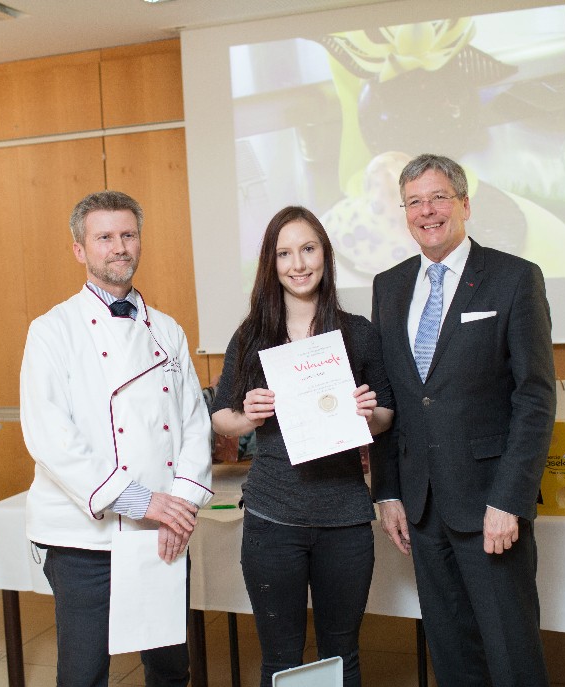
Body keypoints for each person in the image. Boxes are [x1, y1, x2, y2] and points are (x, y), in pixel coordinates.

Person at [370, 154, 556, 686]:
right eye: (414, 202)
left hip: (490, 505)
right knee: (452, 656)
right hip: (422, 509)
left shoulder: (514, 278)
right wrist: (387, 491)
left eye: (438, 198)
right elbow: (391, 396)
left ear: (465, 204)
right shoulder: (388, 286)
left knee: (511, 654)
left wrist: (510, 500)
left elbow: (535, 398)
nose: (427, 211)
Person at [20, 190, 213, 687]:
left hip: (160, 531)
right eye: (104, 237)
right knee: (84, 673)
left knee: (169, 668)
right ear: (79, 249)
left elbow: (195, 423)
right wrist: (142, 501)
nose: (119, 247)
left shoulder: (167, 330)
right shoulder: (52, 330)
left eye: (128, 235)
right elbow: (49, 435)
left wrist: (180, 506)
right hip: (85, 538)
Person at [210, 206, 393, 687]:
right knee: (280, 660)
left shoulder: (358, 333)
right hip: (272, 519)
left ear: (325, 255)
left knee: (342, 655)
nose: (298, 264)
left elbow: (387, 415)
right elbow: (221, 416)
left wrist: (368, 413)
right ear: (271, 264)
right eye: (284, 253)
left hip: (346, 518)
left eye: (308, 249)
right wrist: (247, 415)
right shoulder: (252, 335)